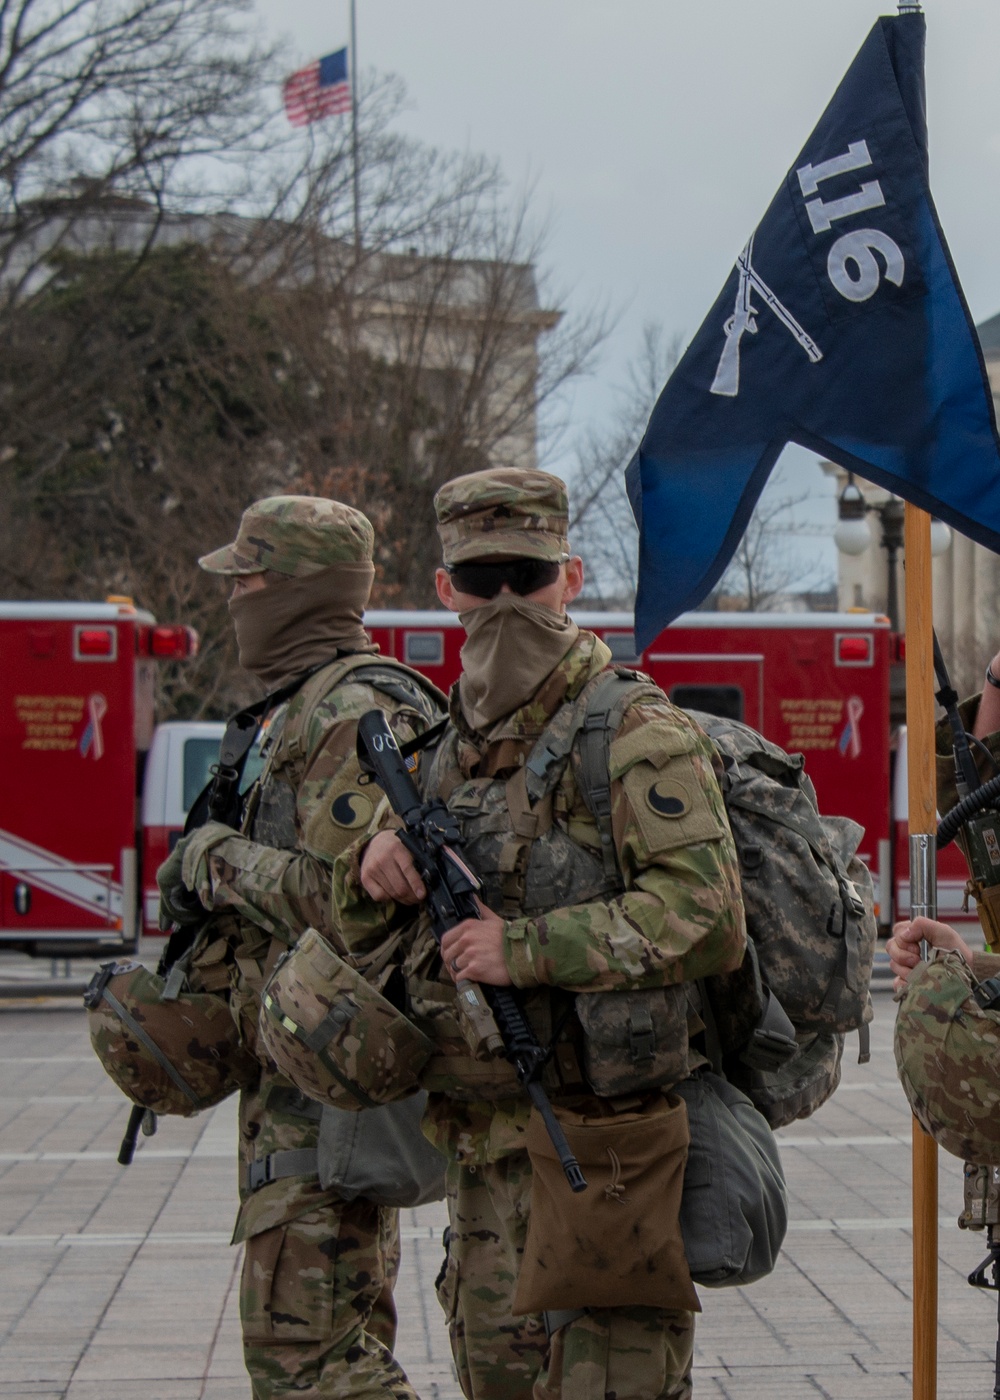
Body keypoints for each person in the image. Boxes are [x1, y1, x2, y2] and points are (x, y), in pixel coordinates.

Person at [331, 467, 747, 1400]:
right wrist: (373, 866)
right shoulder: (439, 751)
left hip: (608, 1154)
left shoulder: (634, 730)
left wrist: (523, 949)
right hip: (480, 1161)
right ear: (447, 590)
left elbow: (708, 915)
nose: (509, 603)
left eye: (529, 575)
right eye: (485, 582)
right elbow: (362, 928)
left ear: (572, 575)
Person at [159, 495, 444, 1400]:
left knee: (310, 1362)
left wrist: (214, 859)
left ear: (294, 592)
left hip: (329, 1091)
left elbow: (354, 898)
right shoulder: (295, 709)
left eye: (246, 580)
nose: (233, 598)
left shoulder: (352, 710)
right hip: (297, 1075)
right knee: (328, 1351)